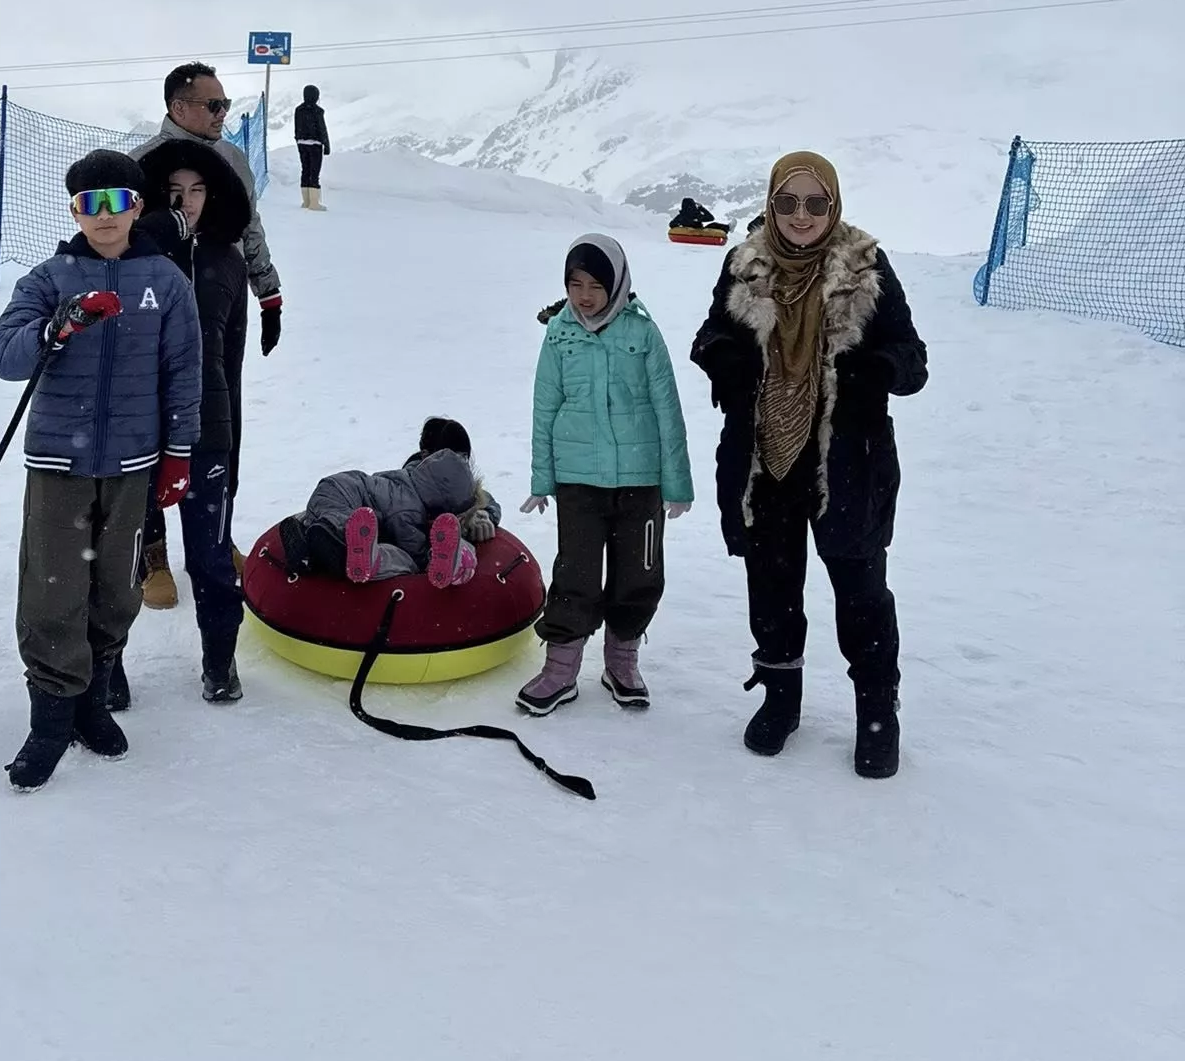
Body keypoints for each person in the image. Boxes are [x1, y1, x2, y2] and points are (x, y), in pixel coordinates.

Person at [689, 151, 927, 780]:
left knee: (860, 592)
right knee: (771, 588)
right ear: (771, 205)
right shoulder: (745, 266)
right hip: (764, 460)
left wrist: (877, 371)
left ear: (833, 205)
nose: (801, 215)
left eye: (815, 203)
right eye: (788, 202)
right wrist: (723, 357)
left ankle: (877, 712)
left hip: (848, 462)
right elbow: (710, 334)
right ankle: (780, 698)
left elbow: (912, 356)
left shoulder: (866, 267)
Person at [0, 151, 202, 790]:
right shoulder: (50, 278)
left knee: (115, 588)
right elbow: (5, 357)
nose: (104, 216)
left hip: (134, 463)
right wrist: (57, 328)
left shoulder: (165, 281)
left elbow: (183, 370)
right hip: (60, 464)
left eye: (117, 202)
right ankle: (51, 720)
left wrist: (179, 450)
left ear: (139, 208)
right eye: (90, 203)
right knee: (52, 590)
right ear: (74, 211)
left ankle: (93, 702)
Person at [517, 236, 692, 716]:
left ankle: (622, 663)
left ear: (617, 285)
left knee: (639, 575)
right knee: (575, 575)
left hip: (641, 480)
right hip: (579, 481)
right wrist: (542, 479)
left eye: (596, 285)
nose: (585, 296)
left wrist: (677, 483)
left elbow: (667, 409)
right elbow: (544, 407)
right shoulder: (560, 334)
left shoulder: (643, 332)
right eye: (575, 284)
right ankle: (560, 670)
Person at [125, 140, 252, 702]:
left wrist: (231, 443)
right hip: (138, 432)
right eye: (175, 190)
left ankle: (220, 664)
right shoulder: (135, 258)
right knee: (118, 560)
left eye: (197, 190)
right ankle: (107, 671)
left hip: (208, 429)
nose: (187, 201)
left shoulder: (228, 261)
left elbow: (232, 362)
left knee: (212, 558)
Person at [135, 62, 283, 354]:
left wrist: (269, 297)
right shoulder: (141, 165)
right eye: (214, 105)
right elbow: (114, 241)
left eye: (225, 104)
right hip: (156, 305)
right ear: (178, 108)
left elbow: (249, 227)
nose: (223, 113)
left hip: (226, 298)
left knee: (223, 378)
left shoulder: (233, 159)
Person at [278, 418, 500, 587]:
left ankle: (308, 543)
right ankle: (337, 549)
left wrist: (485, 514)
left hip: (337, 488)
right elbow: (412, 544)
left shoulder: (420, 480)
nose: (463, 466)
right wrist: (424, 560)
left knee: (333, 522)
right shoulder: (414, 504)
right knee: (396, 556)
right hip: (346, 497)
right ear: (425, 455)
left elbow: (482, 499)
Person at [293, 83, 331, 210]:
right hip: (315, 144)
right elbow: (322, 129)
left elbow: (296, 127)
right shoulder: (318, 111)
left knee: (305, 170)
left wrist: (298, 139)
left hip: (302, 144)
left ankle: (306, 201)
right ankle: (314, 203)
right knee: (314, 172)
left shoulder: (298, 110)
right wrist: (326, 144)